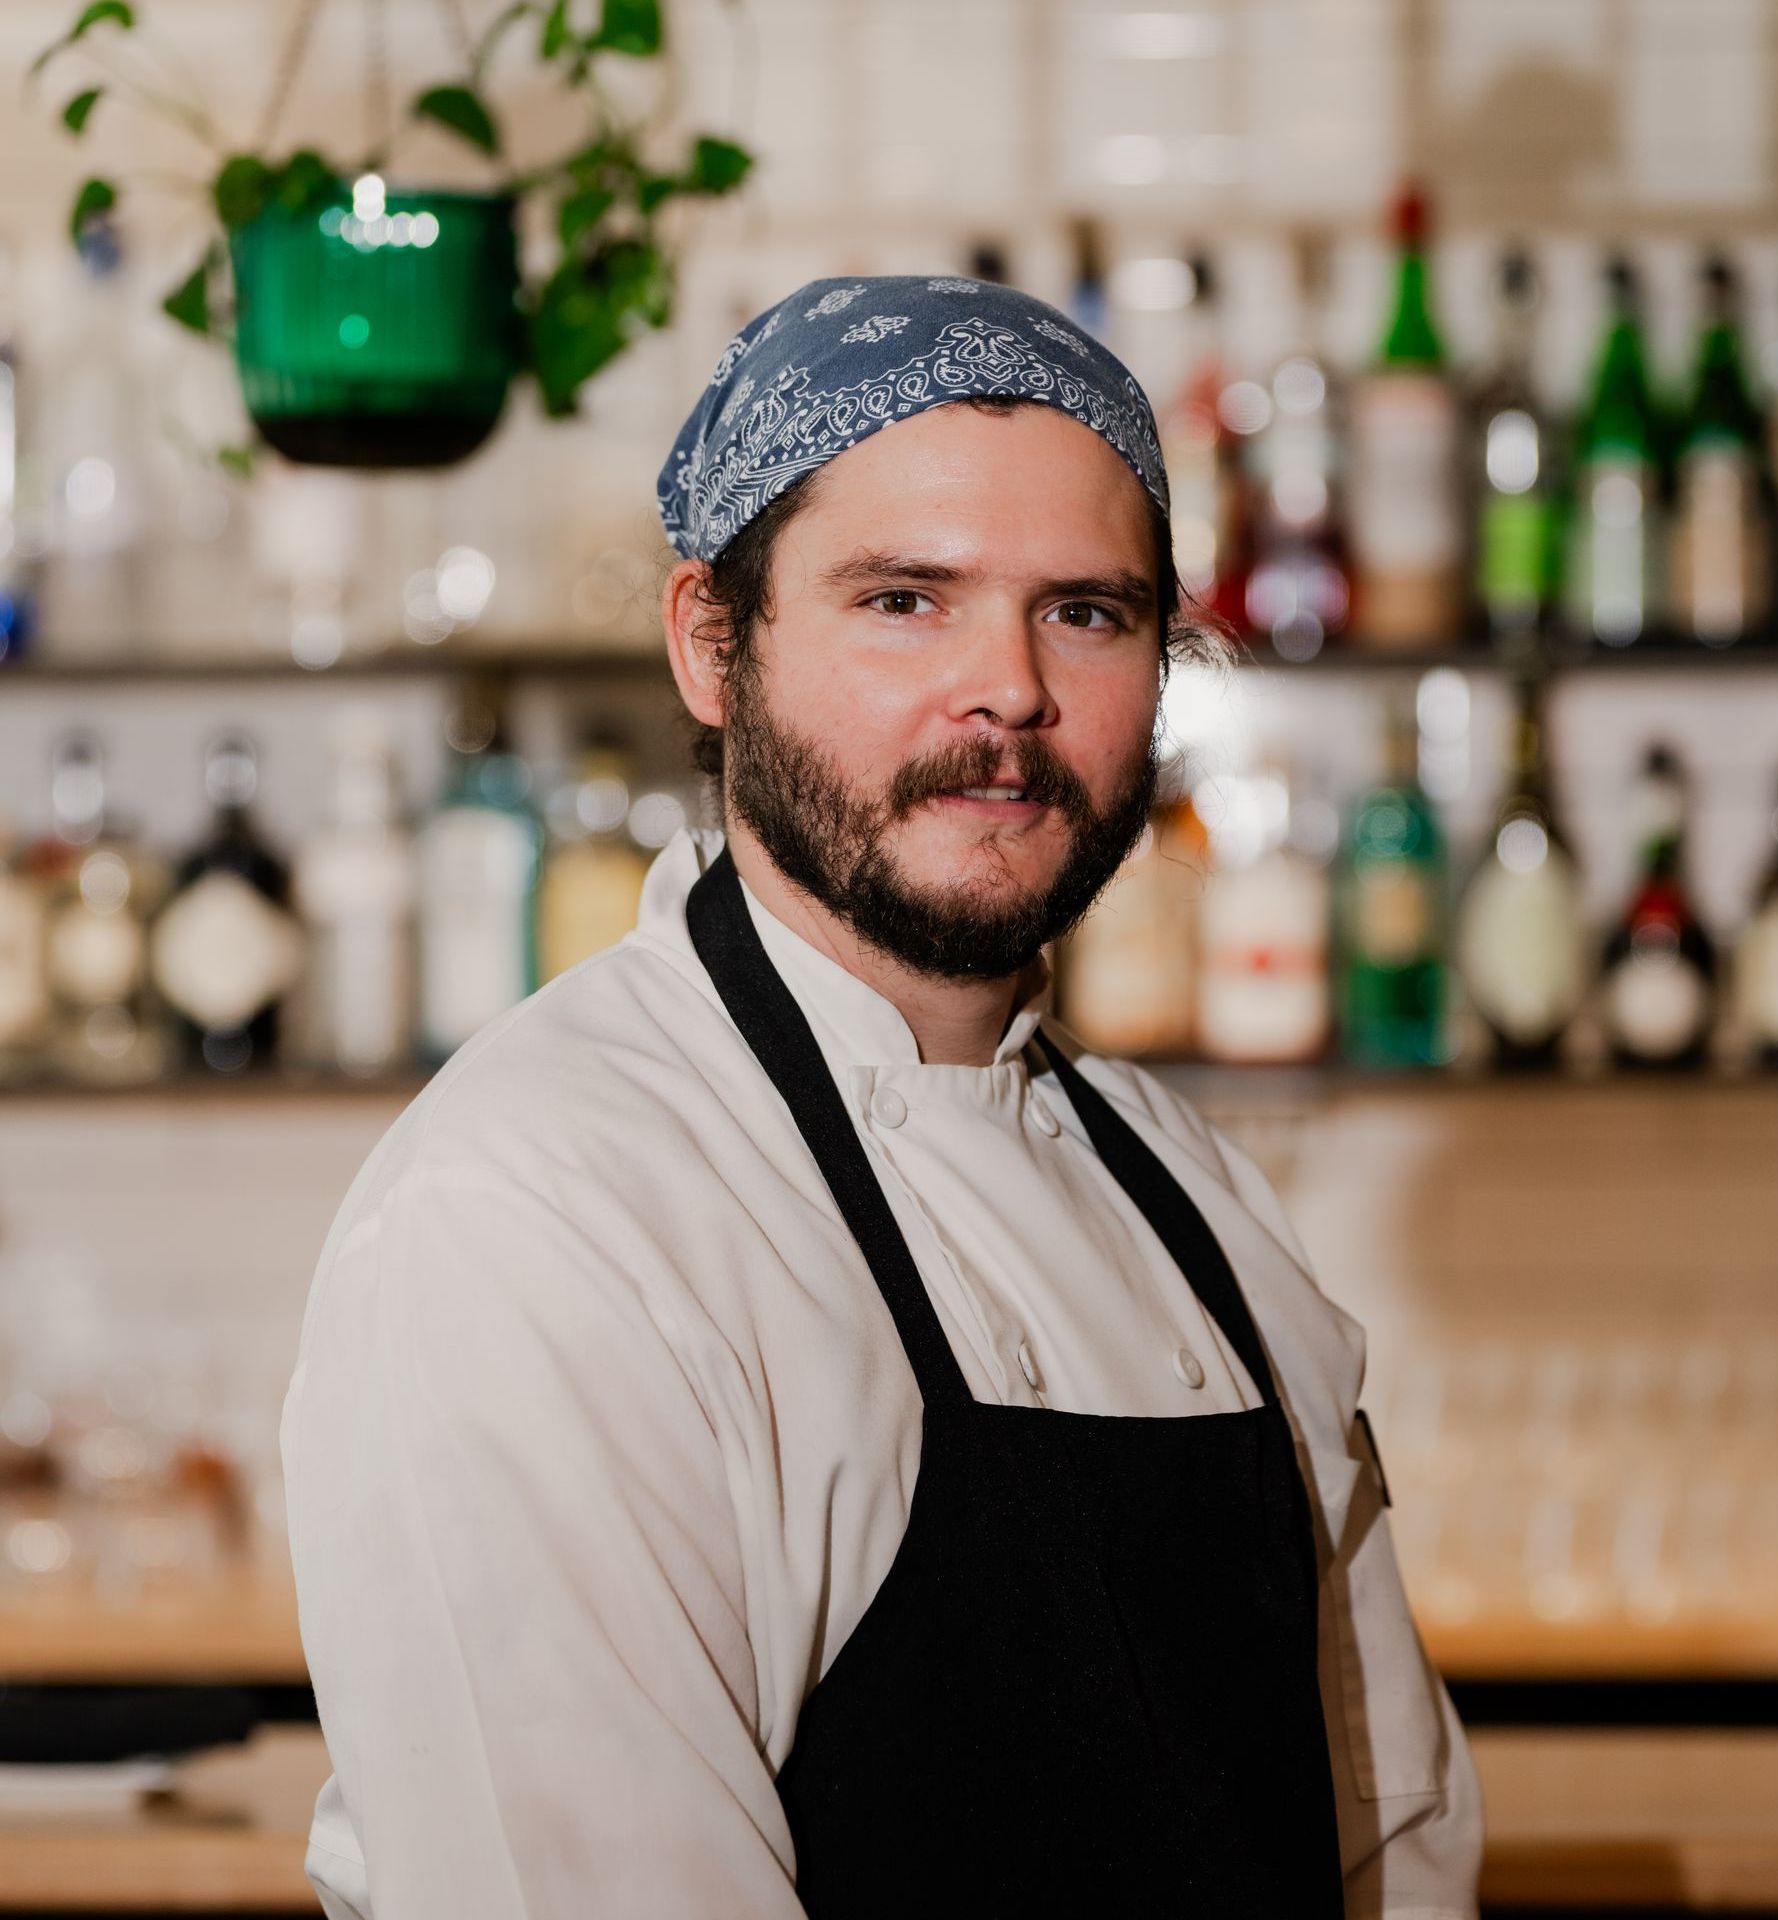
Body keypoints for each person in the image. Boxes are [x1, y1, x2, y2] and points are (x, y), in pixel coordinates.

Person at [282, 274, 1483, 1918]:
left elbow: (1391, 1847)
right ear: (713, 644)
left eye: (1088, 611)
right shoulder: (536, 1216)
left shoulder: (1184, 1183)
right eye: (906, 600)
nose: (1006, 692)